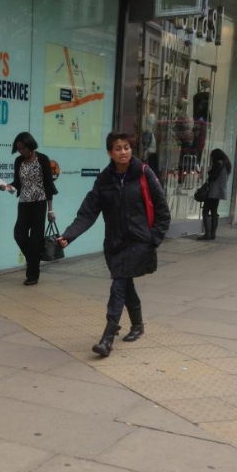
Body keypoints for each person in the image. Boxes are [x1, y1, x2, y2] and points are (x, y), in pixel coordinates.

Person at [57, 132, 170, 357]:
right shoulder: (104, 179)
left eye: (127, 147)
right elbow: (88, 212)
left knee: (119, 284)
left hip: (139, 242)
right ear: (110, 152)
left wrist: (153, 239)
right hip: (114, 244)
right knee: (125, 284)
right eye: (118, 148)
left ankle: (107, 337)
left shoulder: (144, 174)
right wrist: (68, 236)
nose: (123, 152)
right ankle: (137, 325)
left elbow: (162, 211)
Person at [0, 132, 55, 286]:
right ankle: (34, 261)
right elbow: (17, 183)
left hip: (39, 204)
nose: (20, 151)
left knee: (36, 240)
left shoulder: (42, 159)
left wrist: (50, 210)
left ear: (30, 146)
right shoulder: (18, 161)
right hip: (24, 203)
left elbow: (49, 186)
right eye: (18, 149)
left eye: (22, 148)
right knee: (19, 235)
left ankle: (32, 275)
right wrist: (7, 187)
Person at [197, 149, 231, 240]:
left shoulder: (219, 163)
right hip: (220, 191)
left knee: (205, 211)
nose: (211, 158)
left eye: (212, 156)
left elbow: (213, 177)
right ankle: (212, 234)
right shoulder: (226, 164)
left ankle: (207, 234)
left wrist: (209, 171)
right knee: (214, 212)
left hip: (213, 191)